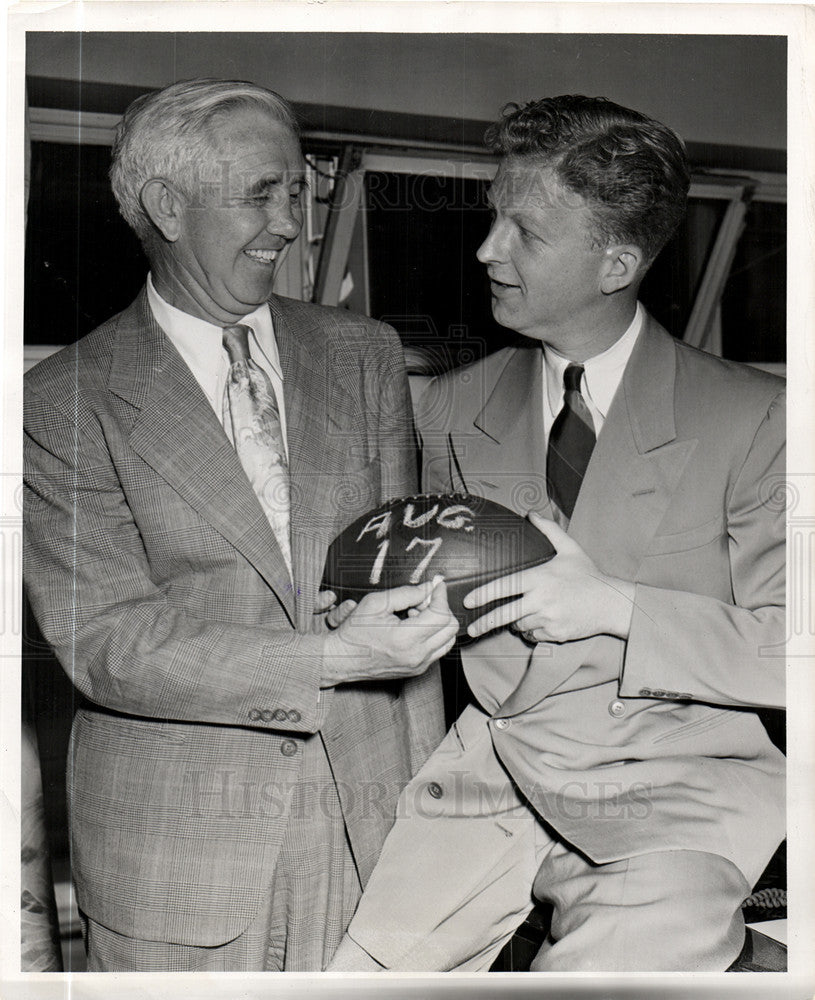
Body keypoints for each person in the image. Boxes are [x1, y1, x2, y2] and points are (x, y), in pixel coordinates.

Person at [328, 95, 786, 972]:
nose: (485, 248)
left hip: (673, 792)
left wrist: (611, 606)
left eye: (523, 231)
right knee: (354, 977)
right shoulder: (453, 406)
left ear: (615, 262)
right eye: (492, 215)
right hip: (489, 780)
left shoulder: (757, 417)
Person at [23, 78, 458, 972]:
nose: (290, 222)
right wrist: (338, 658)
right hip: (180, 866)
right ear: (166, 207)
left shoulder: (363, 353)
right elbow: (108, 640)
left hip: (375, 840)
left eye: (296, 192)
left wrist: (428, 823)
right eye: (261, 193)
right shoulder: (60, 401)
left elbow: (401, 577)